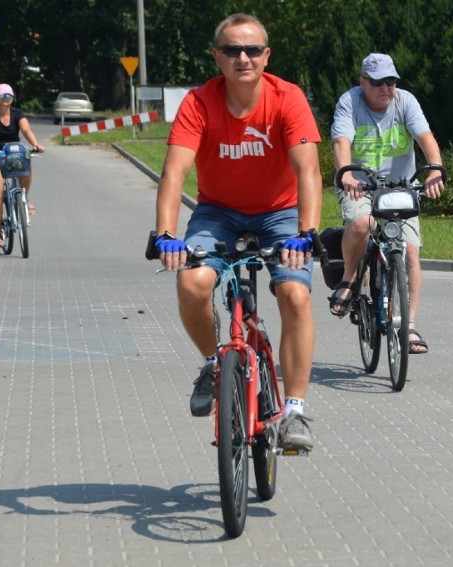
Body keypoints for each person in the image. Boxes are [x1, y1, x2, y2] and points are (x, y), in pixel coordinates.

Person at [153, 13, 322, 451]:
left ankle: (295, 412)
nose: (242, 57)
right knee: (192, 282)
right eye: (231, 50)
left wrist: (307, 231)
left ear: (266, 55)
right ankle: (213, 362)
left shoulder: (288, 99)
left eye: (251, 50)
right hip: (218, 212)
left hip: (279, 214)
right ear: (217, 57)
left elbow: (308, 171)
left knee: (295, 294)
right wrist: (166, 234)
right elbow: (174, 174)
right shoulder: (199, 102)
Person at [329, 53, 445, 354]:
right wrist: (346, 174)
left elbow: (425, 136)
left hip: (401, 187)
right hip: (360, 185)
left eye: (391, 81)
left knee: (408, 252)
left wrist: (435, 167)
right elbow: (341, 142)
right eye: (378, 82)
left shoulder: (405, 101)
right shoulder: (350, 102)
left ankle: (408, 325)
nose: (386, 88)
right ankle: (350, 278)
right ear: (363, 82)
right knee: (361, 223)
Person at [0, 83, 45, 249]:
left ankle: (25, 197)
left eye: (8, 96)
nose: (5, 99)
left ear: (12, 98)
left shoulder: (17, 113)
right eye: (1, 96)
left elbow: (26, 130)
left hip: (13, 153)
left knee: (26, 162)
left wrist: (36, 144)